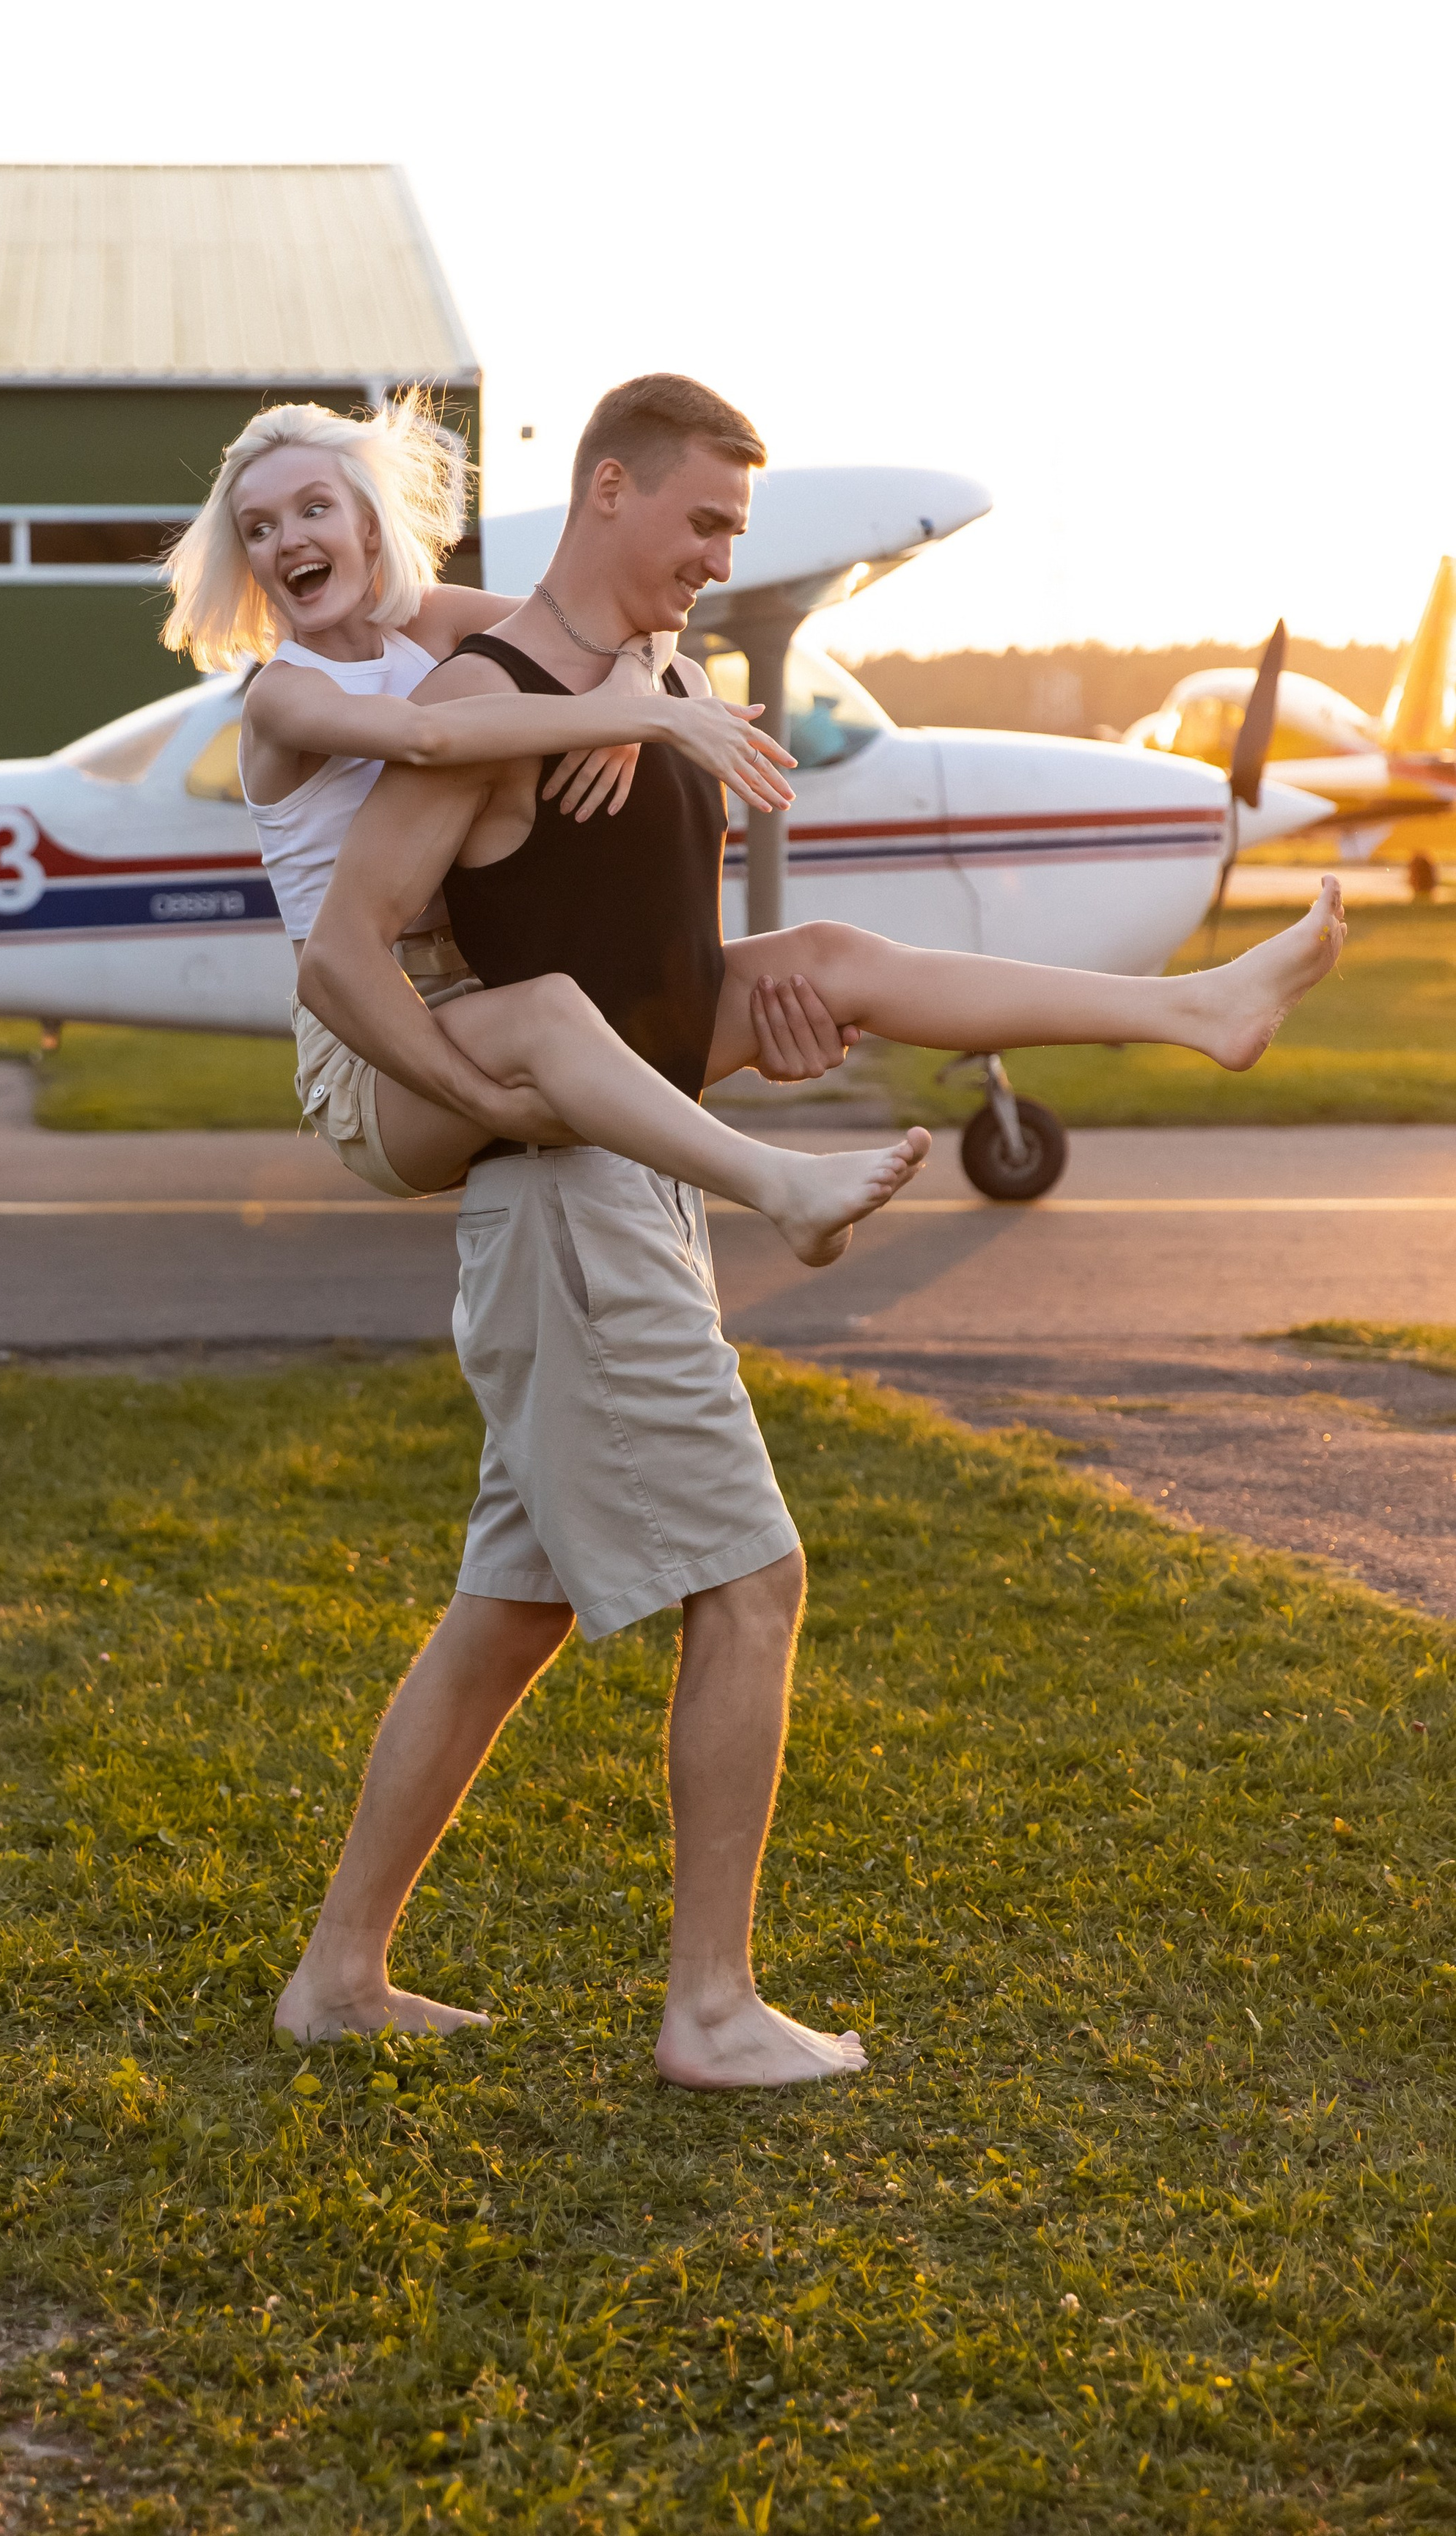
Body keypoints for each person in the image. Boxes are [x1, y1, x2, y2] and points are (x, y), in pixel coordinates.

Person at [278, 373, 1347, 2090]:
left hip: (618, 1169)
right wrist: (487, 1100)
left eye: (735, 534)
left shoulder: (656, 683)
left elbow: (649, 975)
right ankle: (706, 2009)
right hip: (566, 1196)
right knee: (751, 1583)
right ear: (607, 491)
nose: (716, 556)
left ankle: (338, 1974)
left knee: (512, 1602)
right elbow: (348, 944)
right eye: (700, 521)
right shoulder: (499, 698)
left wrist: (743, 1025)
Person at [161, 395, 932, 1265]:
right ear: (248, 561)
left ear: (370, 529)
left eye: (313, 510)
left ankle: (1121, 1007)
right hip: (370, 1032)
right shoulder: (283, 693)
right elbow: (429, 738)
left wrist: (631, 685)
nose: (288, 539)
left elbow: (602, 626)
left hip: (479, 986)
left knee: (823, 960)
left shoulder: (435, 622)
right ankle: (778, 1187)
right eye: (259, 529)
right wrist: (655, 722)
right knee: (548, 1017)